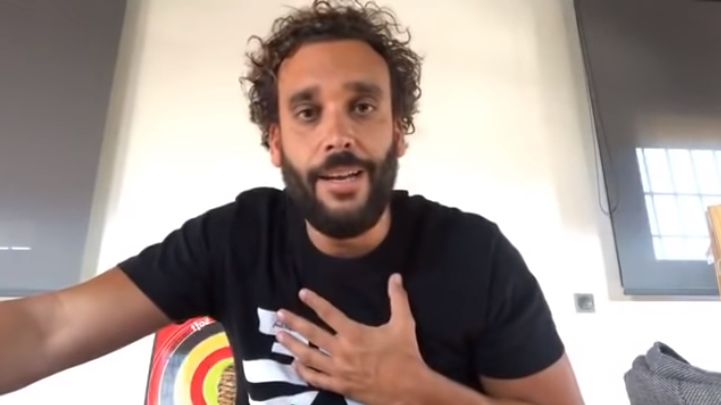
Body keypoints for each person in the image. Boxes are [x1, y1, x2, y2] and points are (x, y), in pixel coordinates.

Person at [0, 1, 585, 404]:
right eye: (308, 112)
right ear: (276, 141)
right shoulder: (235, 239)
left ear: (398, 131)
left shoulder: (475, 255)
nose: (338, 135)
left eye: (362, 107)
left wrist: (420, 392)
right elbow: (50, 326)